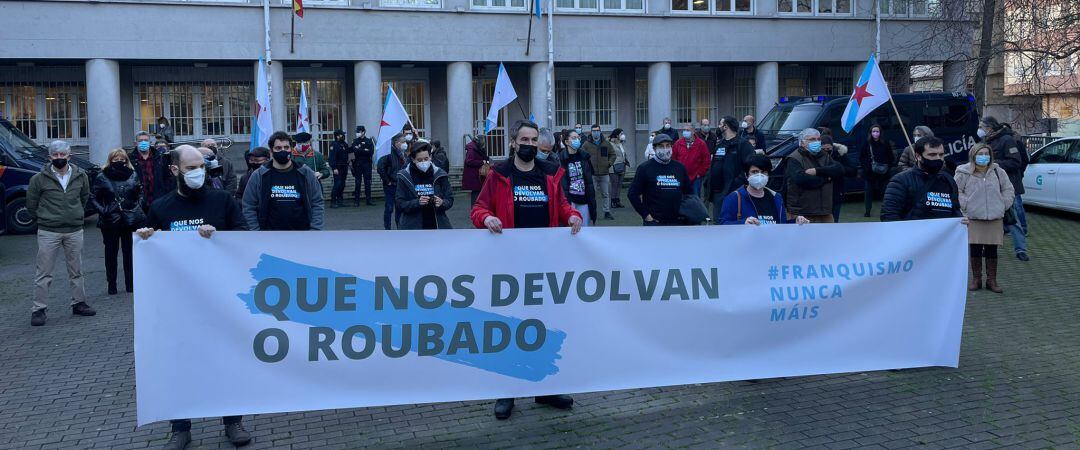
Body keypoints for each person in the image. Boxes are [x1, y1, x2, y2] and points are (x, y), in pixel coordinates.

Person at [135, 146, 250, 450]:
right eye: (191, 168)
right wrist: (147, 239)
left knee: (226, 361)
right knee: (180, 364)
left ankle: (233, 421)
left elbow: (245, 237)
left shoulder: (223, 201)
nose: (199, 172)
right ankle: (180, 428)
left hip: (221, 300)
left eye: (202, 165)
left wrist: (220, 238)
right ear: (175, 171)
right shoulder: (161, 207)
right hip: (179, 302)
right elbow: (153, 252)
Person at [470, 121, 582, 420]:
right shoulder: (499, 174)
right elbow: (478, 208)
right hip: (509, 265)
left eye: (533, 139)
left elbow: (563, 206)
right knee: (510, 325)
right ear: (512, 142)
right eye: (524, 139)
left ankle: (545, 388)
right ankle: (506, 391)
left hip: (544, 264)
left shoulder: (551, 173)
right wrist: (486, 219)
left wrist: (571, 216)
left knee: (543, 325)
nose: (529, 144)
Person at [27, 141, 95, 326]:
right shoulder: (38, 179)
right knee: (44, 272)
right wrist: (44, 217)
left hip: (74, 230)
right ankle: (39, 309)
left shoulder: (81, 176)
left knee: (76, 271)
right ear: (49, 157)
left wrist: (76, 215)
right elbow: (31, 205)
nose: (59, 158)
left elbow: (84, 197)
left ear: (69, 155)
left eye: (62, 154)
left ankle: (79, 303)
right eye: (55, 155)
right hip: (49, 231)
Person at [955, 144, 1013, 293]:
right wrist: (965, 204)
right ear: (973, 155)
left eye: (986, 153)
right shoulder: (963, 172)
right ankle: (976, 279)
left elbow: (1008, 189)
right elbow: (956, 190)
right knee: (975, 249)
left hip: (994, 217)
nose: (984, 156)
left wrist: (1003, 204)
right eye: (980, 153)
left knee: (991, 250)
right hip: (973, 217)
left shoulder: (998, 171)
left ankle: (991, 280)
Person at [242, 131, 325, 231]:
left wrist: (315, 230)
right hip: (269, 236)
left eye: (286, 147)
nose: (283, 151)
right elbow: (248, 206)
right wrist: (256, 232)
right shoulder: (259, 175)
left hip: (302, 235)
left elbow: (317, 202)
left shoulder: (305, 173)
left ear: (291, 149)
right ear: (271, 151)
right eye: (278, 148)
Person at [90, 149, 144, 295]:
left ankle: (130, 284)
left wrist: (137, 206)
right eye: (115, 158)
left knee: (129, 253)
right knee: (111, 253)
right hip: (110, 220)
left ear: (126, 160)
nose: (119, 161)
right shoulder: (102, 176)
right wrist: (103, 210)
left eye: (122, 158)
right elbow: (93, 196)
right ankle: (111, 284)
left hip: (130, 218)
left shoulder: (133, 174)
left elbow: (140, 192)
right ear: (110, 160)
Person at [979, 116, 1029, 261]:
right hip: (989, 185)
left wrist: (993, 164)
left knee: (1012, 219)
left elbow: (1015, 162)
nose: (980, 130)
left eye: (982, 127)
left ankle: (1021, 249)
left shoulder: (1006, 140)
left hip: (1007, 186)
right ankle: (988, 247)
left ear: (989, 128)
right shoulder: (984, 141)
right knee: (989, 219)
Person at [881, 137, 966, 222]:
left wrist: (960, 221)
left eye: (941, 155)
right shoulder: (900, 181)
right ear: (918, 156)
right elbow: (889, 216)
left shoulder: (948, 180)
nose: (938, 158)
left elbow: (955, 210)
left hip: (942, 234)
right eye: (932, 155)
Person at [719, 155, 809, 225]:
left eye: (764, 172)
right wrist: (743, 223)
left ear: (768, 175)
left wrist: (796, 222)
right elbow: (723, 224)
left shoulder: (776, 197)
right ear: (746, 175)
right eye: (754, 172)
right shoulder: (734, 198)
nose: (759, 175)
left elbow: (781, 225)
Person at [628, 134, 693, 226]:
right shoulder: (644, 168)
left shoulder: (679, 168)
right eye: (661, 146)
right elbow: (632, 194)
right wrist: (646, 216)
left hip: (677, 221)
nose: (665, 149)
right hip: (654, 222)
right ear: (654, 149)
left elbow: (689, 193)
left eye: (668, 146)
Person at [784, 128, 844, 223]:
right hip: (802, 213)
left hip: (825, 212)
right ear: (803, 143)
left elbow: (839, 169)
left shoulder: (823, 155)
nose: (817, 142)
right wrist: (827, 178)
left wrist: (816, 171)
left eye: (818, 139)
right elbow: (802, 180)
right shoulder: (794, 158)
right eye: (812, 139)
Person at [707, 116, 757, 223]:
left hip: (733, 193)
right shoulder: (720, 144)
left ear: (726, 126)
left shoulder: (743, 145)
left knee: (731, 224)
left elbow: (751, 167)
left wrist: (736, 183)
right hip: (717, 194)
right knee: (718, 223)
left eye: (720, 124)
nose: (718, 127)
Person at [395, 142, 454, 230]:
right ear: (413, 159)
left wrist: (442, 203)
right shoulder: (404, 176)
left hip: (437, 224)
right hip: (412, 226)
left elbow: (449, 198)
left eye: (426, 159)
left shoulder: (440, 174)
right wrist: (417, 203)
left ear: (430, 157)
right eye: (419, 160)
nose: (423, 162)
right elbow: (399, 203)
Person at [558, 129, 597, 226]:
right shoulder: (560, 159)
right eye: (574, 138)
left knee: (584, 228)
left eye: (578, 138)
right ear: (567, 142)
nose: (577, 140)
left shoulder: (584, 157)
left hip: (584, 200)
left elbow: (589, 180)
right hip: (570, 201)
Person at [130, 132, 174, 212]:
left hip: (158, 200)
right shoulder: (130, 159)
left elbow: (167, 177)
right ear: (135, 143)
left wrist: (165, 193)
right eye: (140, 140)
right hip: (139, 203)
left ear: (150, 143)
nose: (143, 142)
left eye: (146, 140)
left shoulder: (160, 157)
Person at [859, 124, 896, 217]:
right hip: (869, 173)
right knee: (868, 193)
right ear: (870, 133)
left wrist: (887, 167)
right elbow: (862, 157)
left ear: (880, 132)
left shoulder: (885, 143)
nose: (875, 133)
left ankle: (886, 210)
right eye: (873, 131)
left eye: (877, 131)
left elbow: (890, 156)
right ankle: (867, 211)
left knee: (884, 193)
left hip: (883, 173)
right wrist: (866, 168)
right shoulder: (866, 143)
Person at [819, 135, 858, 223]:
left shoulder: (840, 154)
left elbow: (853, 171)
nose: (826, 151)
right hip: (821, 193)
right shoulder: (817, 155)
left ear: (832, 147)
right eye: (823, 149)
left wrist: (839, 169)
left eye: (828, 149)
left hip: (836, 192)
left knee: (834, 219)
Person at [583, 124, 617, 220]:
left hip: (604, 173)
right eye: (594, 131)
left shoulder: (606, 143)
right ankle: (591, 212)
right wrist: (587, 167)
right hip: (592, 174)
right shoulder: (586, 144)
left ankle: (606, 212)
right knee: (591, 194)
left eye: (597, 130)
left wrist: (609, 163)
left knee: (605, 194)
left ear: (600, 131)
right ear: (591, 132)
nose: (595, 132)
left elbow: (613, 154)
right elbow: (582, 156)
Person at [377, 133, 408, 229]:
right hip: (390, 185)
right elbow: (380, 167)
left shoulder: (403, 154)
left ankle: (399, 227)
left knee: (399, 208)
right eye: (403, 142)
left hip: (400, 185)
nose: (405, 144)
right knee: (389, 208)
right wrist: (387, 181)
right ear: (396, 142)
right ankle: (388, 228)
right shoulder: (388, 153)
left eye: (405, 141)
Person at [673, 123, 711, 198]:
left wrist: (699, 174)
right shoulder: (678, 143)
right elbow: (673, 159)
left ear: (693, 131)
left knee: (695, 199)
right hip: (681, 177)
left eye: (687, 130)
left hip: (695, 178)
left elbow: (706, 160)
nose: (685, 132)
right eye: (684, 130)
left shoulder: (701, 144)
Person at [350, 126, 376, 206]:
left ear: (363, 132)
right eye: (357, 131)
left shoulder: (368, 141)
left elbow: (370, 152)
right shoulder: (355, 141)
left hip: (367, 164)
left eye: (359, 131)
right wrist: (364, 150)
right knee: (358, 183)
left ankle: (368, 200)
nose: (357, 133)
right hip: (358, 164)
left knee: (367, 182)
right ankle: (356, 201)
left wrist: (360, 149)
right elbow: (355, 151)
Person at [463, 135, 490, 206]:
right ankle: (475, 211)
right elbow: (469, 161)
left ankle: (477, 210)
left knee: (477, 194)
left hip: (477, 175)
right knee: (476, 194)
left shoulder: (475, 147)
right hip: (474, 176)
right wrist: (482, 162)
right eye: (483, 142)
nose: (484, 144)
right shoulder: (472, 149)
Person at [328, 129, 350, 209]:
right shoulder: (334, 144)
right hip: (338, 167)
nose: (343, 136)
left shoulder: (344, 144)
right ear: (337, 136)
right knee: (337, 184)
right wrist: (334, 168)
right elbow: (332, 157)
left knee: (342, 184)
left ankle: (340, 200)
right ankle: (333, 201)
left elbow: (348, 150)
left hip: (344, 167)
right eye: (342, 135)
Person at [608, 128, 629, 209]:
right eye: (621, 133)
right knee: (614, 184)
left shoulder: (621, 144)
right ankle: (613, 201)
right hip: (613, 167)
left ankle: (617, 200)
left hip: (622, 166)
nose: (623, 135)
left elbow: (623, 154)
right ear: (617, 135)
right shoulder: (610, 144)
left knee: (619, 184)